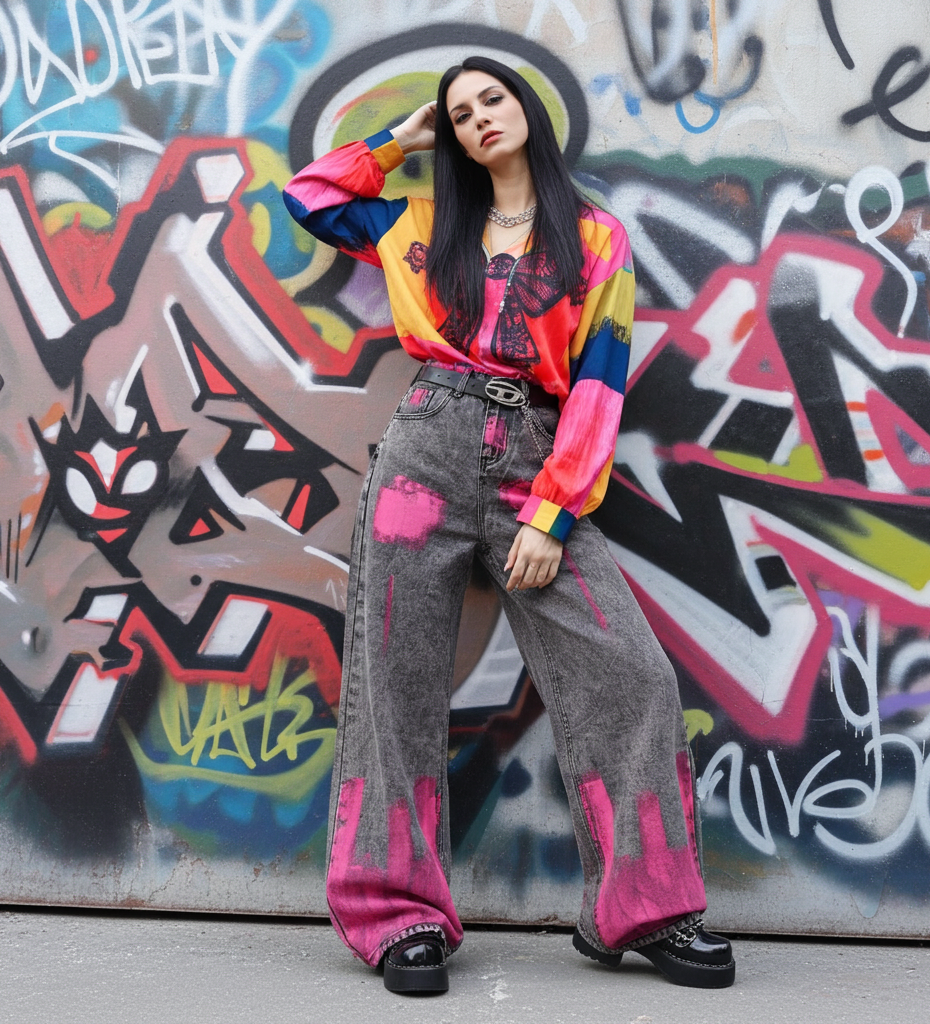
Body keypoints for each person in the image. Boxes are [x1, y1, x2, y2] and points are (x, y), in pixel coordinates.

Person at [283, 55, 735, 995]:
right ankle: (396, 916)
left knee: (632, 675)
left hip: (535, 449)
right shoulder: (419, 226)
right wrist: (399, 141)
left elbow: (601, 380)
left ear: (526, 108)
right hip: (424, 452)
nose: (480, 117)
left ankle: (642, 910)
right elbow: (311, 199)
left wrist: (555, 511)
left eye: (492, 98)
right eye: (460, 113)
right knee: (394, 683)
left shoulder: (595, 237)